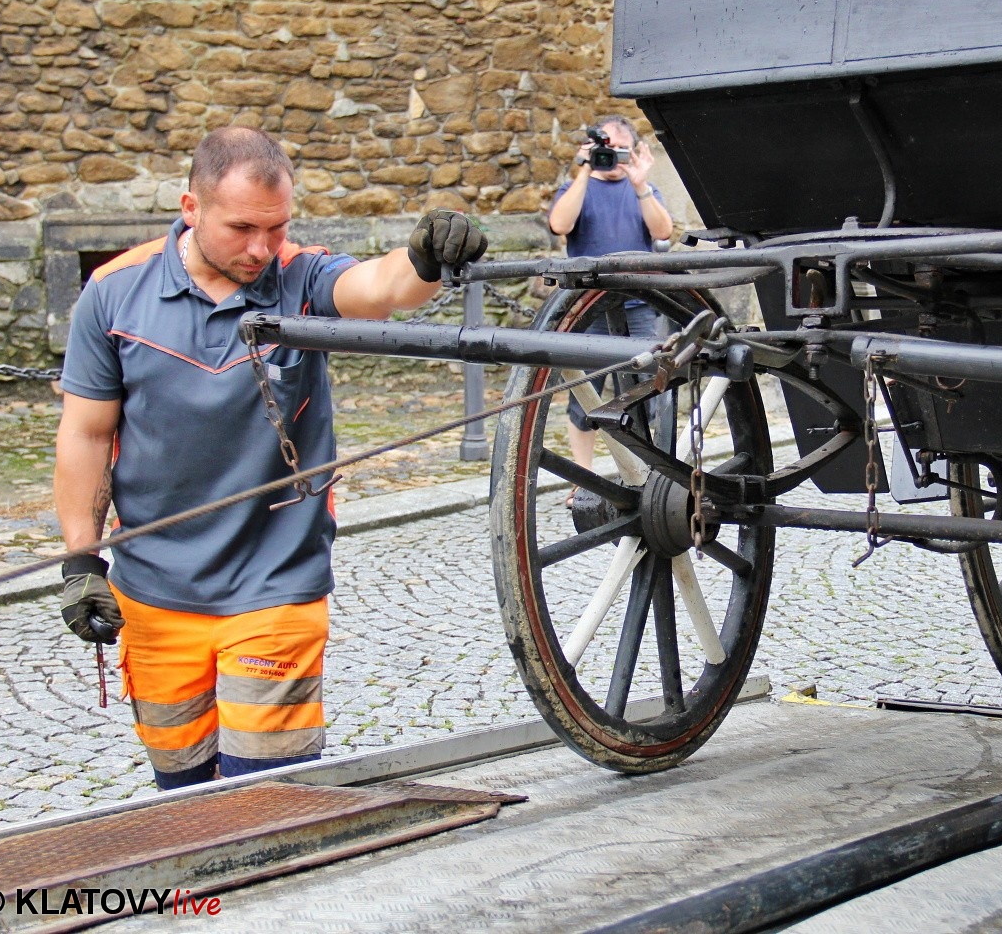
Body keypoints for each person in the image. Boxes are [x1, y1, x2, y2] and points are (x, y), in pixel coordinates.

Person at [53, 126, 485, 789]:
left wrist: (425, 257)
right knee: (182, 794)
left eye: (276, 227)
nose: (261, 248)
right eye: (242, 228)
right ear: (190, 208)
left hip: (275, 582)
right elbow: (85, 433)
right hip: (154, 590)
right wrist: (81, 560)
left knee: (266, 793)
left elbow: (378, 287)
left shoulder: (301, 276)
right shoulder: (113, 292)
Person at [546, 115, 674, 488]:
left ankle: (646, 476)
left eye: (621, 149)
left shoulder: (644, 190)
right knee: (584, 397)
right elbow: (560, 225)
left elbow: (663, 231)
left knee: (644, 393)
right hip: (588, 309)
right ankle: (583, 479)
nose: (613, 156)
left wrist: (641, 184)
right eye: (607, 149)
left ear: (634, 152)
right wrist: (585, 170)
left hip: (639, 305)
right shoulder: (576, 187)